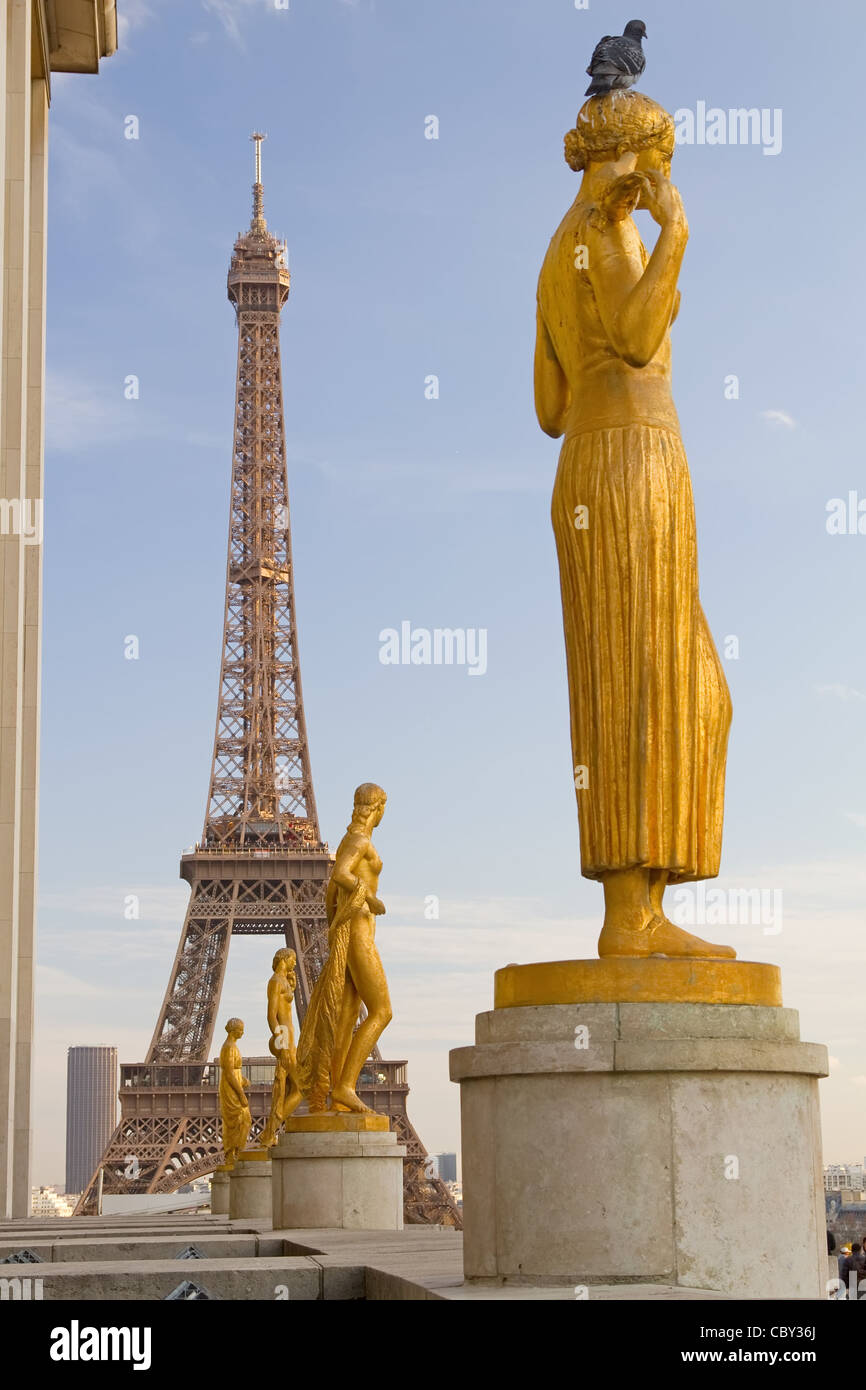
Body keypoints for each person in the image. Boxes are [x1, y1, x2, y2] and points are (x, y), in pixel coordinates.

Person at [535, 89, 734, 958]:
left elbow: (548, 405)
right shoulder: (606, 233)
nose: (666, 177)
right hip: (632, 465)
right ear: (640, 157)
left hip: (595, 460)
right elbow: (641, 330)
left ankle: (642, 909)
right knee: (650, 682)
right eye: (665, 160)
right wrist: (677, 236)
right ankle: (630, 917)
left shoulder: (557, 248)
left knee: (676, 689)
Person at [296, 783, 392, 1113]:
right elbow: (339, 874)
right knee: (382, 1011)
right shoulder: (359, 840)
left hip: (356, 931)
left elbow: (332, 889)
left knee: (347, 1015)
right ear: (376, 807)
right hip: (358, 934)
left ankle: (337, 1092)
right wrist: (371, 898)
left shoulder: (355, 839)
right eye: (383, 807)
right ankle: (346, 1086)